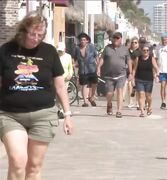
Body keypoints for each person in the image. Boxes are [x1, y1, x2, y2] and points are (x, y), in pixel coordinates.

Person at [0, 11, 73, 179]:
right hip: (11, 115)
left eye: (40, 35)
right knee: (18, 161)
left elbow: (60, 86)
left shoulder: (49, 52)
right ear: (24, 31)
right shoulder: (6, 50)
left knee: (33, 166)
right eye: (33, 34)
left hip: (43, 115)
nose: (36, 38)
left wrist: (68, 115)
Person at [97, 32, 131, 118]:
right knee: (109, 94)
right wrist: (98, 68)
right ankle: (109, 104)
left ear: (121, 39)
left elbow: (129, 61)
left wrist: (130, 73)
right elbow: (102, 59)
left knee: (120, 91)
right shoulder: (107, 48)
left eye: (117, 38)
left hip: (121, 74)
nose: (115, 39)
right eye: (114, 38)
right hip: (109, 75)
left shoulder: (125, 49)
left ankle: (119, 111)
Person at [132, 44, 159, 117]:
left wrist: (157, 75)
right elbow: (134, 69)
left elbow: (156, 67)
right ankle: (142, 111)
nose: (145, 52)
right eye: (144, 50)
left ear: (149, 51)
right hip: (139, 79)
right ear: (141, 51)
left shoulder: (151, 58)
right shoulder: (138, 58)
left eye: (147, 50)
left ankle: (149, 107)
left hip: (149, 80)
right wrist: (132, 79)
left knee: (148, 96)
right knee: (141, 95)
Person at [73, 32, 98, 107]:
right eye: (81, 40)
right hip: (82, 69)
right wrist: (73, 66)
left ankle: (92, 97)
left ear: (87, 40)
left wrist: (98, 67)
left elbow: (96, 56)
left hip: (92, 68)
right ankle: (85, 101)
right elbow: (74, 58)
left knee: (94, 83)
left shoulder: (91, 47)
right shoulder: (77, 48)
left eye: (84, 40)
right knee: (84, 85)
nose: (82, 41)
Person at [56, 42, 74, 118]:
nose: (60, 52)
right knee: (58, 95)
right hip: (57, 78)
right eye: (59, 51)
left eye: (61, 51)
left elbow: (70, 67)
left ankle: (64, 110)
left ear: (64, 50)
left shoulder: (68, 56)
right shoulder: (55, 56)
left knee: (64, 95)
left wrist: (70, 74)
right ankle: (60, 109)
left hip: (65, 78)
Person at [127, 36, 140, 108]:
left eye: (135, 42)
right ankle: (130, 101)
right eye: (132, 42)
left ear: (138, 44)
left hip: (138, 72)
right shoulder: (127, 51)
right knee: (129, 85)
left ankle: (138, 102)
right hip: (129, 71)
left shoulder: (139, 52)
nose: (134, 44)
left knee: (137, 87)